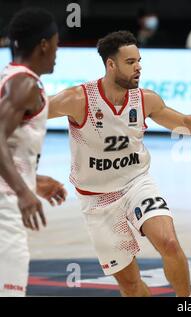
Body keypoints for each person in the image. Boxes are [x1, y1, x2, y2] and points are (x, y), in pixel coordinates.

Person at [48, 31, 191, 297]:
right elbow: (29, 112)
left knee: (168, 242)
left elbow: (186, 123)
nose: (138, 68)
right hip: (96, 199)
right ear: (111, 65)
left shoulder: (145, 99)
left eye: (139, 61)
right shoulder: (78, 98)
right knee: (131, 285)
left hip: (136, 183)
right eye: (130, 62)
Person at [0, 8, 67, 297]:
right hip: (5, 205)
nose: (57, 52)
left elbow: (11, 144)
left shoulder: (11, 77)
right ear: (43, 45)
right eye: (56, 44)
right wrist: (24, 192)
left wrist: (32, 179)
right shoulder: (25, 84)